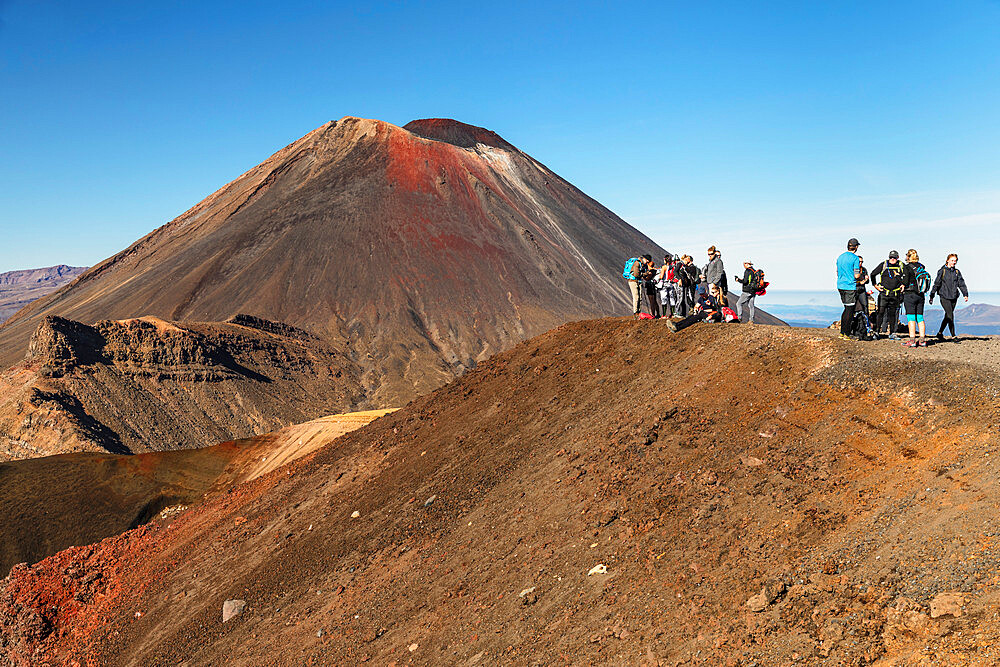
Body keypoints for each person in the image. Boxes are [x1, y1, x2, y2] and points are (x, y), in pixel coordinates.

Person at [929, 253, 969, 340]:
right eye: (952, 260)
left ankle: (939, 333)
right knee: (950, 315)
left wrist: (965, 294)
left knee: (947, 316)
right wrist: (932, 295)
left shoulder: (957, 272)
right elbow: (936, 284)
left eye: (955, 261)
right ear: (947, 260)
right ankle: (953, 335)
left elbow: (961, 284)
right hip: (944, 297)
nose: (954, 262)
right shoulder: (942, 271)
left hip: (954, 297)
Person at [871, 250, 905, 339]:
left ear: (897, 258)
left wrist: (904, 284)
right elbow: (873, 274)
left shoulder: (901, 265)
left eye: (894, 257)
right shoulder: (884, 265)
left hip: (895, 294)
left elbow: (907, 276)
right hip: (884, 294)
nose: (892, 259)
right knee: (880, 313)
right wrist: (875, 286)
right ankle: (876, 332)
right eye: (891, 257)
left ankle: (892, 333)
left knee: (893, 314)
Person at [902, 248, 930, 347]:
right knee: (920, 317)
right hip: (921, 295)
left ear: (908, 257)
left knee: (911, 317)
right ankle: (922, 340)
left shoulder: (907, 267)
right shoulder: (921, 266)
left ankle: (912, 340)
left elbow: (905, 282)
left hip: (910, 294)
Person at [836, 238, 862, 340]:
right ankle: (847, 334)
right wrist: (862, 277)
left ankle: (842, 332)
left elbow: (837, 272)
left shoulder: (840, 257)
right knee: (850, 310)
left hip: (840, 285)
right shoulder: (855, 258)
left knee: (846, 308)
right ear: (856, 247)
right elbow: (856, 275)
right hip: (850, 285)